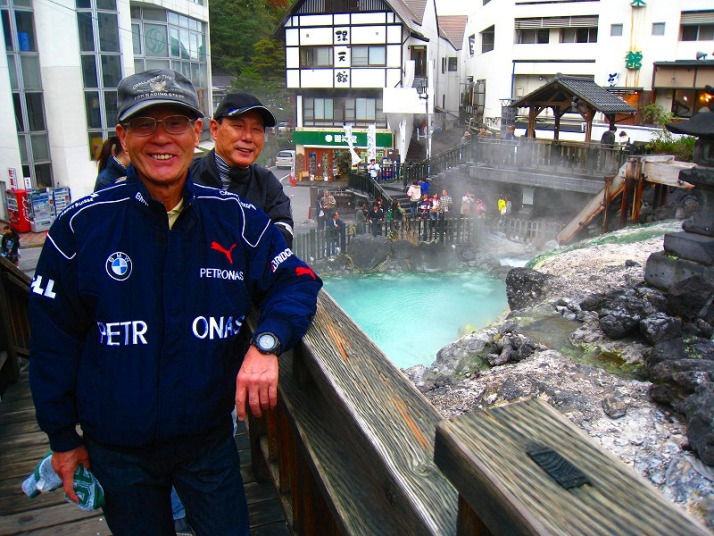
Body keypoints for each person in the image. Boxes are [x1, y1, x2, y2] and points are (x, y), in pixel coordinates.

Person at [28, 69, 322, 536]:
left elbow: (298, 280)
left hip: (208, 441)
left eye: (176, 123)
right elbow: (52, 342)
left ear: (196, 131)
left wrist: (266, 343)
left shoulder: (235, 218)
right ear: (123, 136)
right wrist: (62, 437)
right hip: (117, 448)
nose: (161, 138)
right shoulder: (81, 227)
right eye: (144, 124)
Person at [190, 92, 294, 246]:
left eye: (256, 129)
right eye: (238, 126)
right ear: (214, 129)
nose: (248, 137)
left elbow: (283, 235)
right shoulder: (187, 176)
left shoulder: (267, 185)